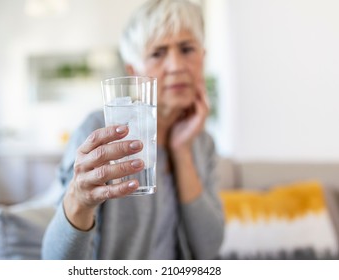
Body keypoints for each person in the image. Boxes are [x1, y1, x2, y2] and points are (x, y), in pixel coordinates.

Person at [42, 0, 224, 260]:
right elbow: (57, 263)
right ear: (133, 71)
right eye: (158, 53)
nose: (176, 65)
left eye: (186, 49)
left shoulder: (202, 143)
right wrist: (78, 201)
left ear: (202, 58)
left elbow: (209, 249)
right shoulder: (99, 130)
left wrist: (181, 151)